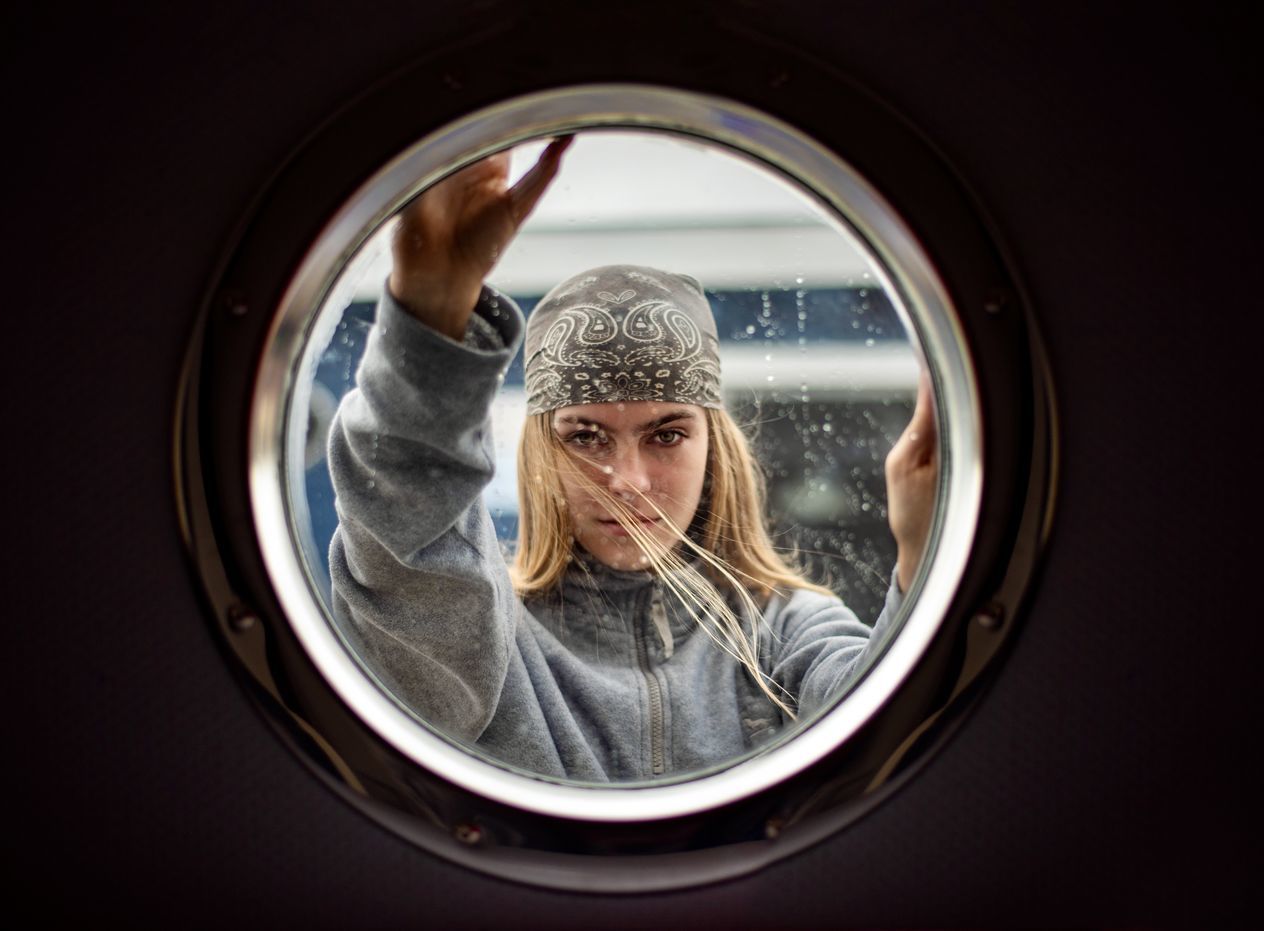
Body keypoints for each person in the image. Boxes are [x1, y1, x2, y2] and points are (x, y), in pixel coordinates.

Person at [327, 138, 939, 781]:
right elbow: (402, 525)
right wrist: (428, 322)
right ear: (541, 452)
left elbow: (891, 736)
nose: (627, 481)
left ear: (715, 447)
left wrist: (927, 558)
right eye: (586, 437)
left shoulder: (784, 633)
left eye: (667, 435)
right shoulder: (484, 641)